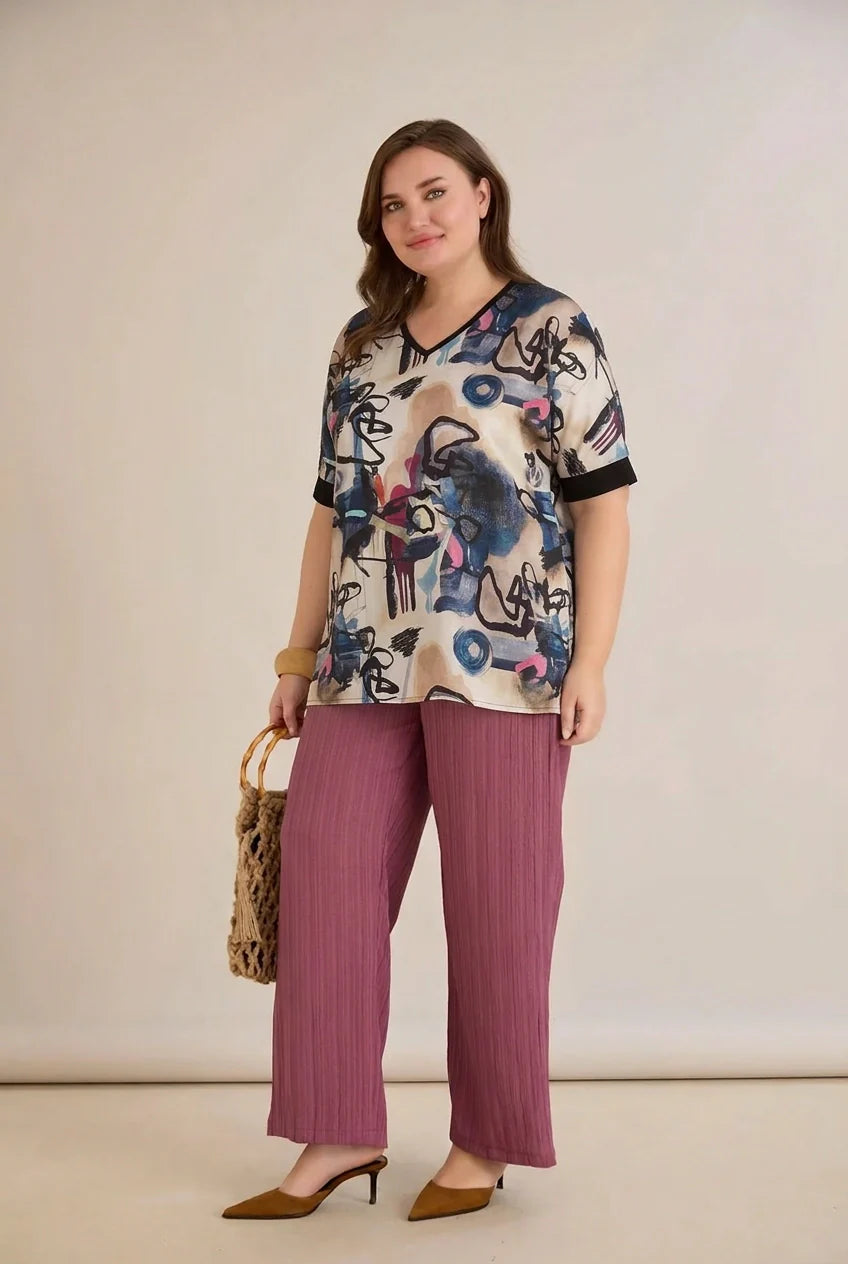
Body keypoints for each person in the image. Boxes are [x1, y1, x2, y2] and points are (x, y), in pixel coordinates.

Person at [222, 117, 637, 1225]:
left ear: (483, 193)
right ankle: (337, 1130)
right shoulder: (359, 344)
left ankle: (486, 1139)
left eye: (434, 191)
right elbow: (330, 512)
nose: (415, 218)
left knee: (499, 903)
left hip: (507, 663)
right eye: (393, 206)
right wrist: (297, 654)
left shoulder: (550, 327)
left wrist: (591, 660)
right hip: (361, 659)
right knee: (324, 878)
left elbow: (603, 504)